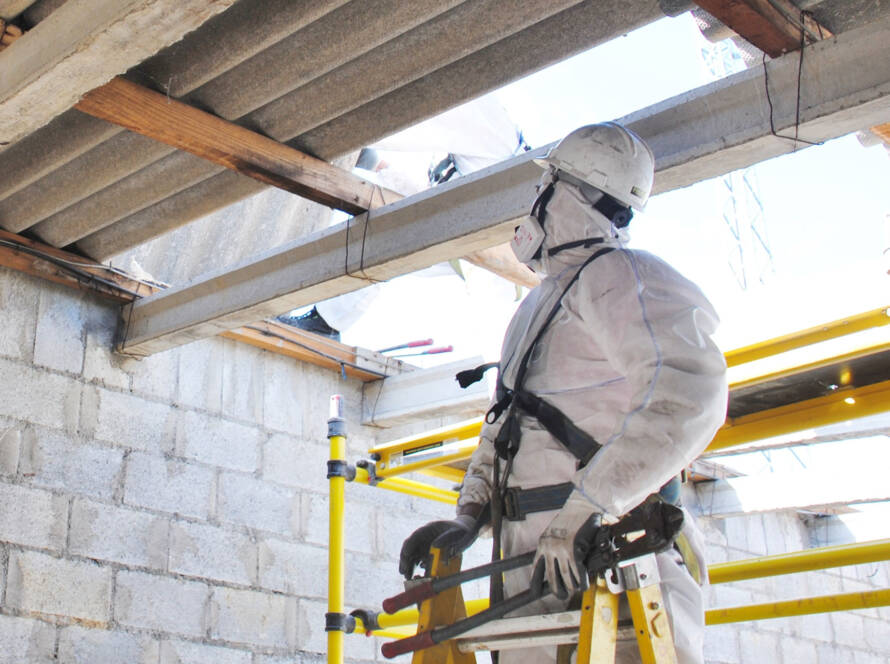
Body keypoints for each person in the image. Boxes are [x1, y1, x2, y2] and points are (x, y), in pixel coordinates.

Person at [399, 123, 728, 663]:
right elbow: (507, 425)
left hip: (612, 555)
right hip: (534, 556)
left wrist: (591, 507)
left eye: (544, 186)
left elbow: (692, 396)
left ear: (566, 194)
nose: (535, 203)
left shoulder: (621, 277)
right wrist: (470, 516)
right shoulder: (540, 304)